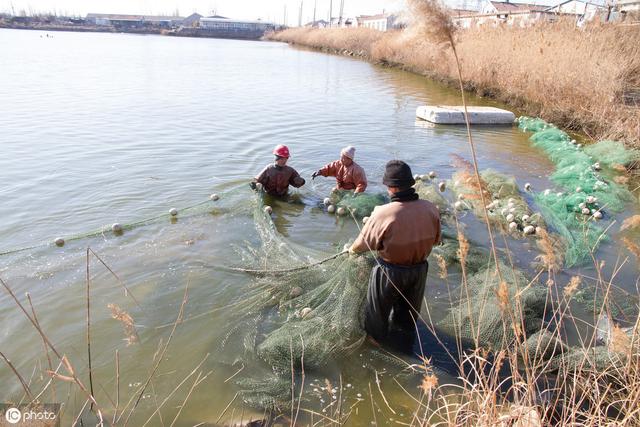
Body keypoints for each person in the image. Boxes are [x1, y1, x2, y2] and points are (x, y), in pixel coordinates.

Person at [348, 160, 441, 348]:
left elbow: (361, 245)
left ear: (391, 188)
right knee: (406, 319)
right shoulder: (431, 208)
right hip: (419, 270)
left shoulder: (383, 213)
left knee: (376, 318)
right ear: (410, 184)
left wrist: (351, 251)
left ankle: (377, 348)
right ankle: (405, 347)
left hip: (389, 272)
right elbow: (437, 240)